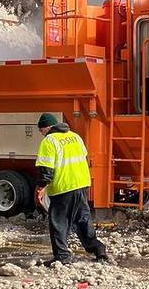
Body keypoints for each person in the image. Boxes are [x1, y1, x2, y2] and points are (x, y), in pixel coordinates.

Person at [34, 112, 108, 266]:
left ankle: (62, 256)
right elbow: (84, 158)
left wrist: (40, 188)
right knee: (83, 219)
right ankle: (98, 249)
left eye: (41, 131)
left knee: (59, 222)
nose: (42, 134)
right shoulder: (75, 137)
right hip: (81, 184)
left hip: (63, 187)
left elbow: (46, 171)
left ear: (47, 128)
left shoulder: (50, 141)